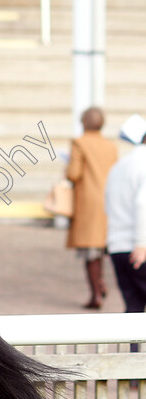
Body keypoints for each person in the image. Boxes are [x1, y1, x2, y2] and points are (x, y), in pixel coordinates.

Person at [65, 107, 118, 309]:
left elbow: (74, 173)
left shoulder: (80, 143)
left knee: (90, 252)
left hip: (89, 202)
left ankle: (96, 293)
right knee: (102, 247)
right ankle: (101, 285)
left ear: (84, 122)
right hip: (109, 199)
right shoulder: (110, 146)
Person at [105, 114, 146, 316]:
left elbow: (108, 204)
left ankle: (134, 349)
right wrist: (141, 243)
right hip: (138, 248)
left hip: (117, 246)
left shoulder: (118, 167)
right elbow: (142, 203)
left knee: (133, 309)